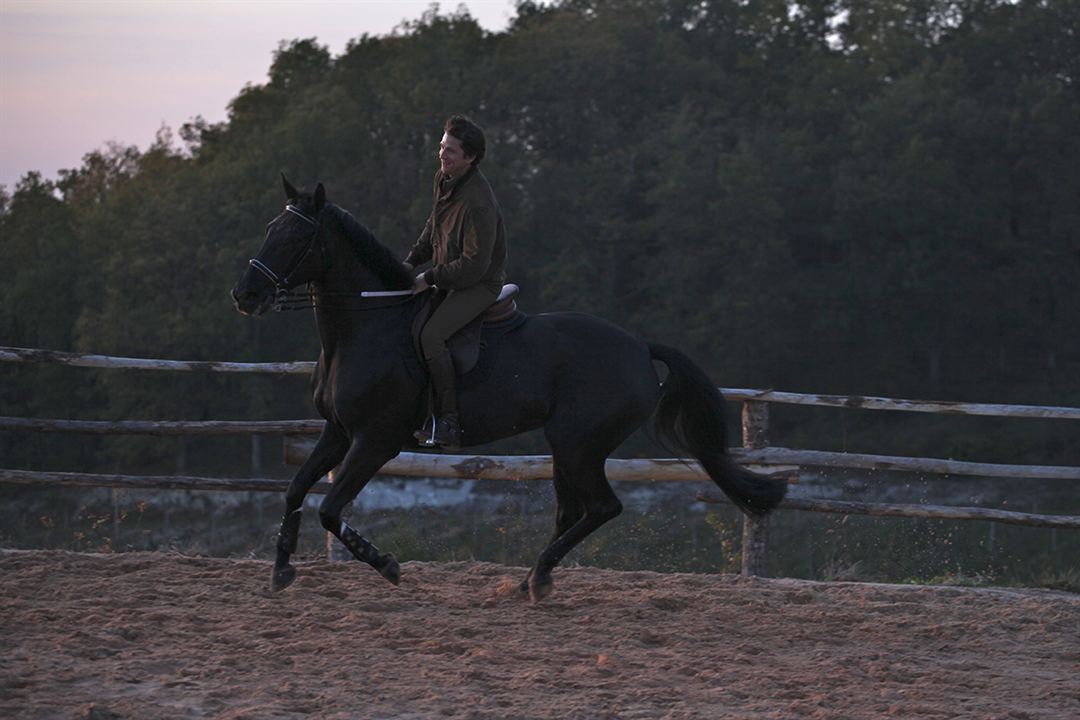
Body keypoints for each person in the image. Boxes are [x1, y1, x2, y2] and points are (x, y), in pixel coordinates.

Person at [403, 115, 508, 449]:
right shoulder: (444, 178)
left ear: (470, 157)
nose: (443, 155)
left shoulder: (478, 202)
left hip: (478, 284)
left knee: (432, 335)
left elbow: (474, 266)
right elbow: (433, 225)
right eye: (442, 147)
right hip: (452, 277)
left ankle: (448, 421)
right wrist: (410, 261)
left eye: (451, 151)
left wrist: (429, 277)